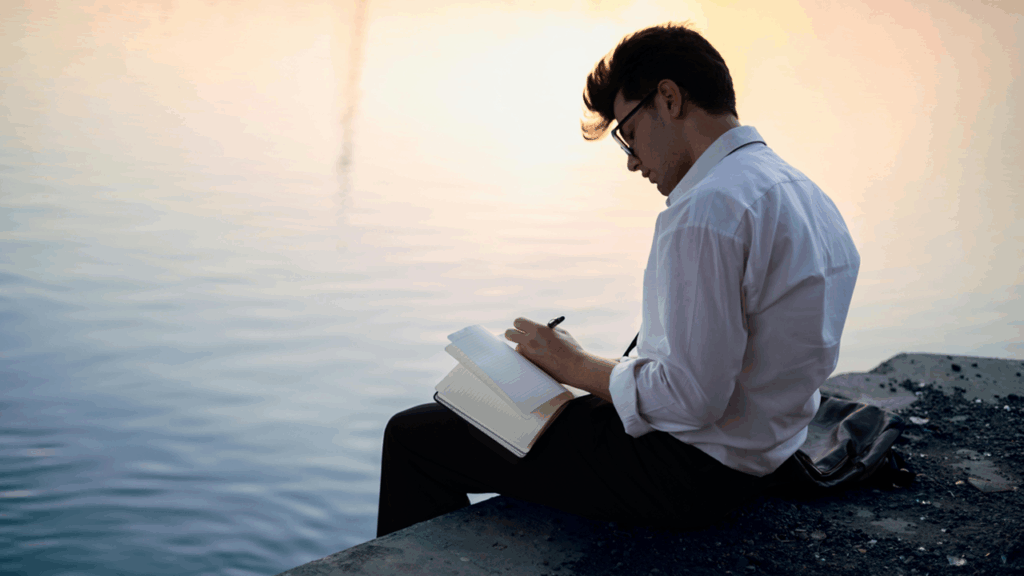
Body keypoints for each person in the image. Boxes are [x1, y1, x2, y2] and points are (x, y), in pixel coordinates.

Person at [376, 22, 860, 538]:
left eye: (628, 134)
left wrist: (573, 364)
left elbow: (692, 400)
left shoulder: (707, 210)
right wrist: (586, 365)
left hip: (688, 472)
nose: (632, 162)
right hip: (766, 453)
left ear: (668, 99)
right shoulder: (801, 190)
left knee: (413, 437)